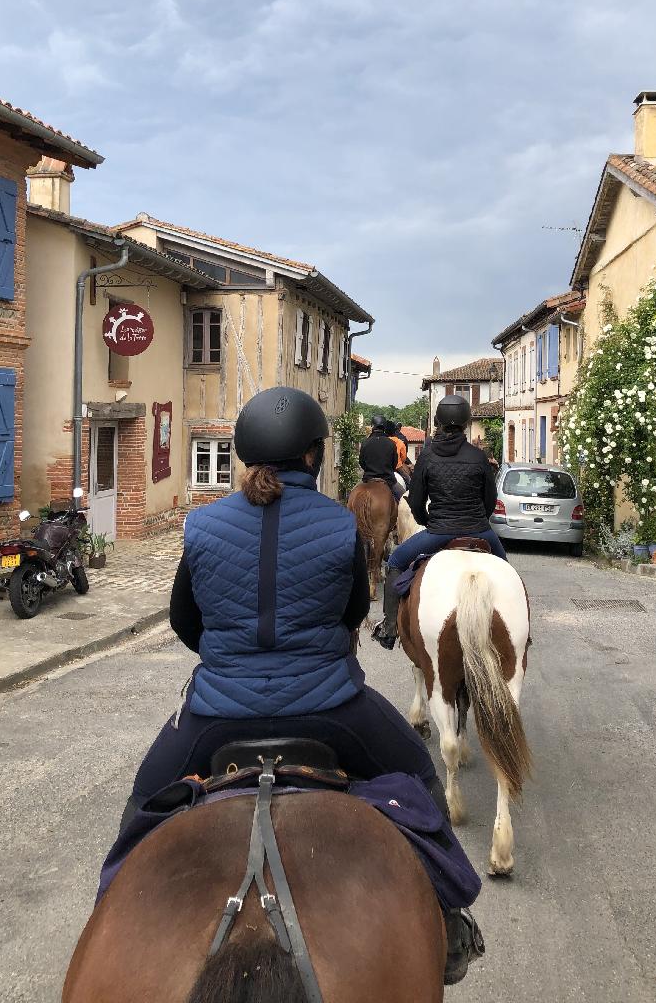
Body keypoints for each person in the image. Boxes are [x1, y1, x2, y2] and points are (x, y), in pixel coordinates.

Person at [114, 387, 481, 983]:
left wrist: (230, 661)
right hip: (330, 708)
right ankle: (453, 913)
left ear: (244, 455)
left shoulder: (202, 525)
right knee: (417, 768)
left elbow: (185, 621)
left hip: (216, 713)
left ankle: (111, 904)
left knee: (142, 802)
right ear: (313, 456)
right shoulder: (340, 527)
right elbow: (350, 615)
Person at [372, 394, 507, 651]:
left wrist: (428, 522)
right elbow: (490, 500)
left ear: (438, 422)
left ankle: (390, 629)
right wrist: (479, 521)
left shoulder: (427, 457)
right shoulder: (479, 457)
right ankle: (521, 632)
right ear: (467, 422)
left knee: (396, 562)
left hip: (438, 532)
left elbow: (417, 501)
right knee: (509, 572)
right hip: (479, 530)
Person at [359, 414, 403, 501]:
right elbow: (394, 464)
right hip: (388, 480)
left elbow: (361, 462)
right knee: (405, 498)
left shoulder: (365, 443)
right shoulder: (391, 443)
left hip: (368, 479)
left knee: (351, 496)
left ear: (372, 426)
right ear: (384, 427)